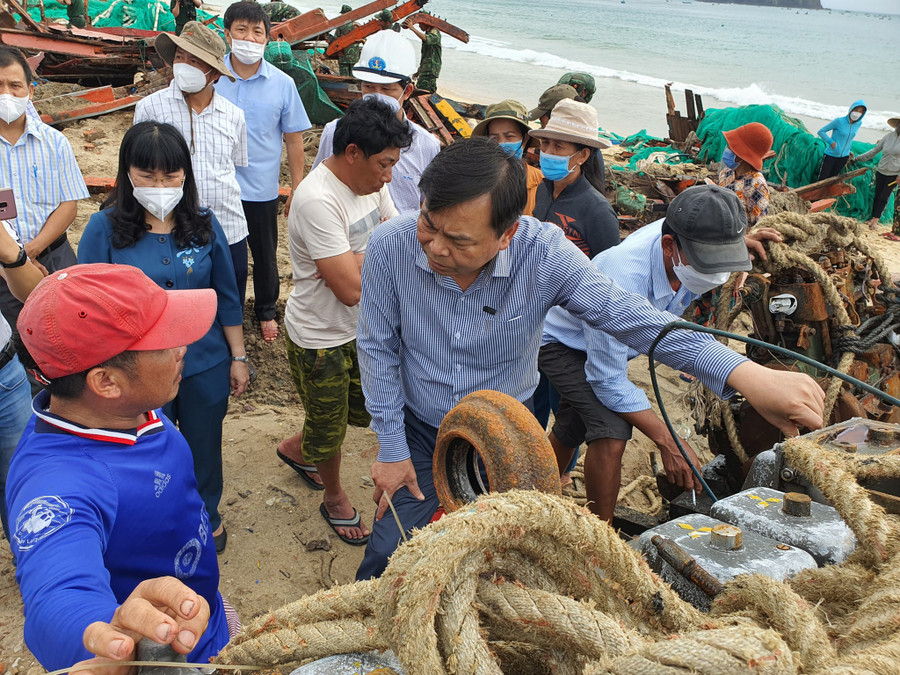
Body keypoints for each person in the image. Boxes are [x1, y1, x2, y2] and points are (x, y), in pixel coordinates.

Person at [353, 137, 826, 580]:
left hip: (505, 432)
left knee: (501, 555)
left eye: (459, 241)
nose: (435, 246)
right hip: (419, 428)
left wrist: (744, 373)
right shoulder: (390, 246)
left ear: (506, 235)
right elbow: (377, 349)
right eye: (429, 224)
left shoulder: (542, 255)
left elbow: (631, 317)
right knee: (390, 552)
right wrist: (392, 450)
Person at [7, 263, 232, 670]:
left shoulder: (123, 407)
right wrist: (108, 634)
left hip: (206, 613)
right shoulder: (59, 483)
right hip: (167, 657)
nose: (183, 346)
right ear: (106, 382)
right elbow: (56, 594)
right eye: (165, 341)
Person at [540, 186, 779, 522]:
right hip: (565, 342)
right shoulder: (624, 275)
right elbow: (606, 379)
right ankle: (599, 540)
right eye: (708, 264)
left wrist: (735, 244)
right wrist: (669, 441)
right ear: (669, 248)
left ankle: (533, 486)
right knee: (611, 431)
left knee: (575, 422)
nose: (717, 277)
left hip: (613, 347)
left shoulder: (686, 234)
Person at [78, 121, 249, 554]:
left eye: (169, 176)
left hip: (203, 362)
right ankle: (147, 519)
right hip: (134, 367)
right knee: (142, 448)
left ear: (185, 175)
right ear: (127, 173)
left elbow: (226, 296)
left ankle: (205, 514)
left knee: (203, 443)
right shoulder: (103, 229)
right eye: (147, 175)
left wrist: (238, 355)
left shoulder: (205, 225)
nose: (159, 185)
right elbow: (89, 305)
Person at [277, 97, 411, 545]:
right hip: (321, 337)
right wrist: (369, 259)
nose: (389, 175)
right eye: (384, 164)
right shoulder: (317, 199)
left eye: (393, 164)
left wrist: (356, 257)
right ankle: (333, 495)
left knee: (351, 413)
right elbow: (350, 289)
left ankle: (296, 448)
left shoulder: (372, 183)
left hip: (362, 329)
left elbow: (401, 240)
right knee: (331, 426)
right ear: (352, 152)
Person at [134, 21, 250, 310]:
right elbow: (137, 167)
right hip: (171, 226)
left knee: (228, 299)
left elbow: (234, 167)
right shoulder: (150, 108)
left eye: (195, 61)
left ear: (214, 75)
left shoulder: (233, 115)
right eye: (179, 57)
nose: (184, 65)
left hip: (228, 225)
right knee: (178, 304)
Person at [216, 1, 311, 343]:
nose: (249, 38)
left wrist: (297, 187)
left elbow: (294, 139)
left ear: (267, 40)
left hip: (261, 188)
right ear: (227, 35)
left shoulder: (282, 84)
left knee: (264, 254)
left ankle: (266, 310)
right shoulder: (213, 78)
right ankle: (229, 311)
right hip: (217, 188)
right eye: (241, 30)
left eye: (257, 32)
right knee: (223, 253)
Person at [0, 46, 88, 330]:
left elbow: (68, 204)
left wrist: (32, 250)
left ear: (31, 91)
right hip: (2, 270)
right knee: (16, 345)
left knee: (67, 332)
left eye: (15, 86)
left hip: (53, 257)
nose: (7, 95)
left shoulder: (54, 142)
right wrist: (15, 262)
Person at [312, 30, 439, 215]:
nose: (377, 96)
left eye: (387, 89)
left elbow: (427, 205)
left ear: (408, 91)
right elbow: (318, 184)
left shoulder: (426, 145)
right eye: (368, 87)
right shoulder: (335, 131)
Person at [0, 219, 43, 547]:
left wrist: (9, 253)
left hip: (5, 376)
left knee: (20, 480)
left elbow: (31, 289)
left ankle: (27, 555)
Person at [530, 99, 617, 257]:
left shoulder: (598, 211)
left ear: (582, 155)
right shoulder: (543, 189)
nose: (548, 151)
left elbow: (608, 269)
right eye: (545, 143)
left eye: (558, 146)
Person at [471, 99, 543, 216]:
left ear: (525, 140)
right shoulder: (475, 177)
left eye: (509, 137)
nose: (502, 143)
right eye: (494, 138)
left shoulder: (540, 182)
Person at [717, 122, 775, 226]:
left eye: (731, 147)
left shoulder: (756, 185)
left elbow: (760, 225)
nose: (727, 150)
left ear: (741, 155)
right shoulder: (726, 173)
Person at [855, 117, 900, 231]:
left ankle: (875, 220)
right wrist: (858, 159)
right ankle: (872, 218)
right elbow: (874, 151)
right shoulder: (888, 137)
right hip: (881, 171)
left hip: (894, 175)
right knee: (877, 195)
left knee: (884, 197)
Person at [817, 100, 867, 181]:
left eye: (861, 112)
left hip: (843, 158)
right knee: (822, 180)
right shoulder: (839, 121)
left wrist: (848, 150)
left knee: (833, 180)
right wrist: (831, 142)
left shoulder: (858, 124)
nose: (858, 113)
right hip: (830, 156)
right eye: (856, 110)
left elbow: (849, 138)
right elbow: (821, 131)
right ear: (851, 109)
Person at [403, 15, 441, 93]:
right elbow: (427, 56)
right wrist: (418, 72)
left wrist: (412, 28)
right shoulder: (428, 32)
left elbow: (427, 39)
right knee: (429, 91)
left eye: (420, 24)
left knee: (421, 92)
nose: (419, 26)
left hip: (430, 69)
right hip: (427, 68)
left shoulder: (434, 31)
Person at [333, 4, 362, 78]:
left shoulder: (341, 26)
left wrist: (338, 51)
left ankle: (344, 88)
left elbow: (335, 40)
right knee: (354, 76)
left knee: (344, 77)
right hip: (354, 56)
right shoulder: (357, 25)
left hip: (343, 55)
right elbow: (363, 38)